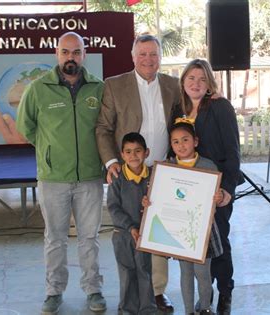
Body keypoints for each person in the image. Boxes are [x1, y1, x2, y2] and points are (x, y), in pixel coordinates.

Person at [16, 31, 106, 314]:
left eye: (76, 52)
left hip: (90, 177)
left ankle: (93, 290)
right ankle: (54, 292)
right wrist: (49, 150)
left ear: (84, 55)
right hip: (53, 179)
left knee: (89, 238)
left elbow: (106, 128)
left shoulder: (98, 88)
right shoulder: (39, 88)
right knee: (54, 239)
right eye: (66, 52)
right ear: (57, 54)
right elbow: (26, 126)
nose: (71, 58)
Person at [96, 34, 179, 313]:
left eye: (153, 54)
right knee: (132, 231)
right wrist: (110, 163)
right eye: (142, 54)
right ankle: (131, 295)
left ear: (160, 58)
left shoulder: (172, 85)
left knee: (158, 232)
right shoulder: (115, 85)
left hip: (162, 171)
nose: (148, 59)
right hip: (130, 171)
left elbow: (185, 119)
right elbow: (104, 129)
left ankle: (157, 292)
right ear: (133, 57)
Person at [171, 59, 244, 315]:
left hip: (216, 190)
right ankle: (205, 297)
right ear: (183, 81)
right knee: (194, 246)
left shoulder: (220, 107)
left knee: (218, 242)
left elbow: (233, 152)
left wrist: (227, 190)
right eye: (191, 78)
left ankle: (225, 292)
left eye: (202, 79)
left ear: (210, 83)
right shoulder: (177, 108)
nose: (196, 83)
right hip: (187, 191)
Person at [167, 121, 224, 315]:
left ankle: (206, 308)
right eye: (175, 142)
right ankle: (189, 311)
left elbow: (216, 196)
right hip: (181, 230)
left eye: (185, 140)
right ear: (171, 145)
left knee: (202, 273)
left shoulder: (208, 166)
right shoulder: (167, 168)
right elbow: (161, 197)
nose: (181, 145)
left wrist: (218, 197)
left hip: (203, 230)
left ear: (195, 141)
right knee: (185, 273)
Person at [107, 132, 157, 314]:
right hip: (122, 235)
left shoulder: (154, 176)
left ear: (147, 152)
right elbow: (113, 207)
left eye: (137, 151)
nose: (133, 155)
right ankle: (127, 309)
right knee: (127, 272)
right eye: (128, 152)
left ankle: (148, 309)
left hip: (145, 235)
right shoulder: (117, 178)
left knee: (144, 271)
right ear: (122, 154)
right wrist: (130, 227)